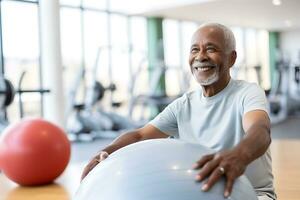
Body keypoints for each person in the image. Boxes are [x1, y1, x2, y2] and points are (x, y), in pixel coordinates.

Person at [81, 22, 276, 200]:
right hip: (199, 192)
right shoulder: (184, 105)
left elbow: (260, 130)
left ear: (231, 58)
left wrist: (238, 156)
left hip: (252, 195)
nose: (201, 56)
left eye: (211, 49)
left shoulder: (247, 93)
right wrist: (105, 152)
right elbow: (140, 136)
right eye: (194, 50)